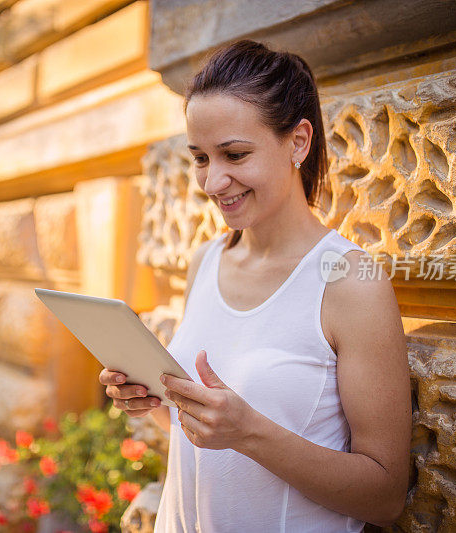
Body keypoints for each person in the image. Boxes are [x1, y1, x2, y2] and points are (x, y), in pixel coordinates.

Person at [99, 40, 410, 532]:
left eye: (235, 154)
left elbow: (386, 494)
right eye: (200, 158)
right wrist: (158, 404)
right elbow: (207, 442)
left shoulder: (350, 281)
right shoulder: (205, 261)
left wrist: (249, 432)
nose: (212, 182)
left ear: (298, 142)